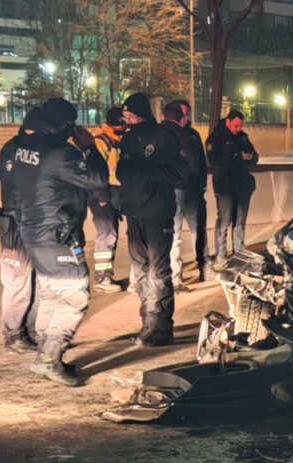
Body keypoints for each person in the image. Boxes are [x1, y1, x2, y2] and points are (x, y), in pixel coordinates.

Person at [16, 98, 108, 385]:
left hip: (31, 230)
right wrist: (90, 148)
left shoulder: (24, 147)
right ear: (68, 125)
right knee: (73, 294)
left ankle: (46, 348)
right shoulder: (62, 152)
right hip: (58, 234)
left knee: (50, 292)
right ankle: (48, 359)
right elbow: (97, 181)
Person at [118, 92, 188, 347]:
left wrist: (149, 172)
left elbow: (181, 169)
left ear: (143, 114)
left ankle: (161, 326)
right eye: (125, 116)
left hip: (158, 210)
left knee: (158, 272)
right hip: (134, 211)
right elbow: (122, 170)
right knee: (140, 271)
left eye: (132, 116)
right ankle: (148, 322)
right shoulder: (127, 138)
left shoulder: (164, 137)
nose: (128, 120)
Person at [0, 107, 42, 354]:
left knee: (34, 282)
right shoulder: (18, 150)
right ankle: (14, 335)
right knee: (18, 282)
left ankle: (31, 333)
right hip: (17, 224)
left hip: (29, 223)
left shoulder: (16, 146)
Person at [207, 110, 258, 269]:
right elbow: (214, 159)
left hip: (242, 185)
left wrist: (250, 157)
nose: (237, 128)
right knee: (224, 220)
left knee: (240, 221)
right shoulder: (216, 137)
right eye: (235, 125)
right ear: (228, 121)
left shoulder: (242, 137)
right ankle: (221, 255)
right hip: (225, 185)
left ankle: (239, 253)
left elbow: (255, 155)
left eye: (240, 126)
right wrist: (237, 156)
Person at [170, 99, 213, 284]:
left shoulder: (193, 134)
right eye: (183, 113)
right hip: (176, 190)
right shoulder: (167, 133)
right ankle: (175, 275)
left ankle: (204, 265)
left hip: (194, 190)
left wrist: (202, 184)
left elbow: (201, 162)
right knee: (174, 232)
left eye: (188, 113)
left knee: (199, 230)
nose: (186, 117)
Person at [89, 106, 125, 294]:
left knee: (111, 236)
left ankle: (106, 275)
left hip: (112, 194)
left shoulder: (115, 139)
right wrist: (102, 197)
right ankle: (101, 278)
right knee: (106, 235)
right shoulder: (101, 141)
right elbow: (96, 172)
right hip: (102, 196)